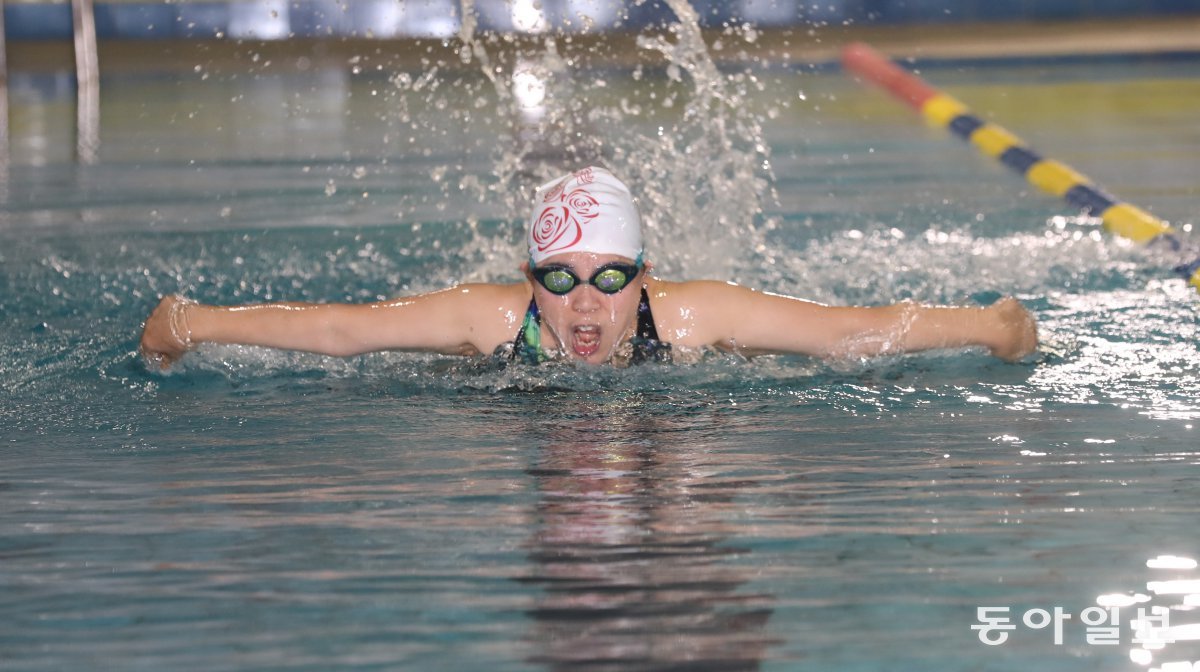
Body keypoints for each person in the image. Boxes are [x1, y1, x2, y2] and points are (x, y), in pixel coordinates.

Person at [140, 166, 1038, 369]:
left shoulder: (690, 313)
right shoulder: (488, 320)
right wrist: (193, 320)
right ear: (528, 280)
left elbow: (849, 333)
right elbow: (344, 329)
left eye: (612, 277)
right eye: (559, 277)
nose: (585, 300)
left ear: (644, 279)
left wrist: (994, 326)